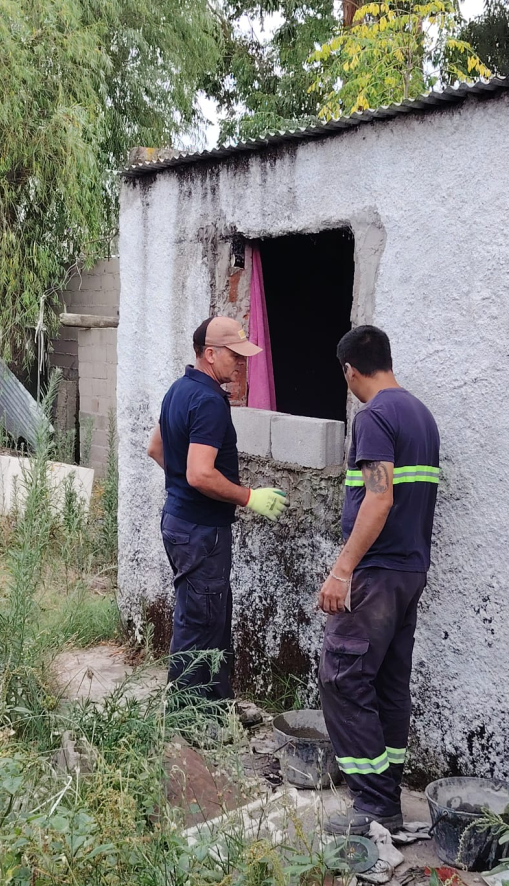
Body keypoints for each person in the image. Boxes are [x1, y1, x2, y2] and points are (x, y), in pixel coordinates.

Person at [317, 325, 440, 836]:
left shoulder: (373, 417)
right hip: (409, 572)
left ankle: (373, 804)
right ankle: (386, 789)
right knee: (388, 682)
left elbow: (379, 496)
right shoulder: (420, 415)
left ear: (350, 371)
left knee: (342, 677)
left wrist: (342, 570)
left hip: (376, 575)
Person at [147, 316, 288, 704]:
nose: (241, 364)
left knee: (208, 619)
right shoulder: (209, 401)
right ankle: (186, 720)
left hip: (180, 521)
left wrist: (185, 484)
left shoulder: (178, 390)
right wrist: (248, 496)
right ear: (209, 354)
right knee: (200, 625)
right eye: (234, 356)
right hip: (201, 531)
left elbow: (156, 449)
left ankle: (215, 708)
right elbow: (200, 473)